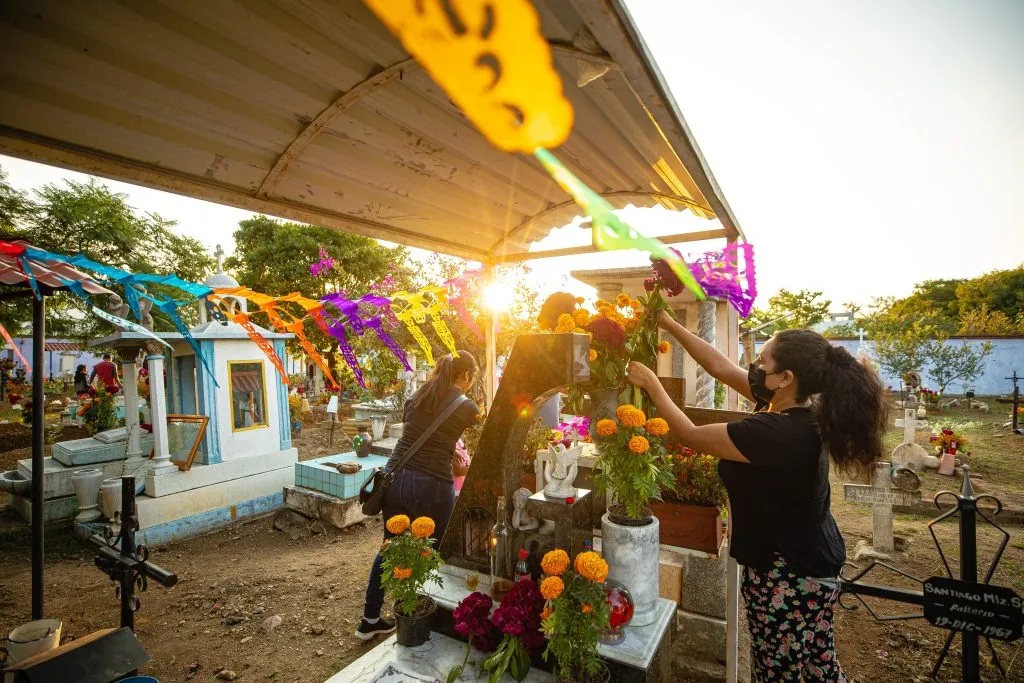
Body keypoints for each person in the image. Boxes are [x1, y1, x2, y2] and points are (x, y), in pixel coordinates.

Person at [626, 312, 886, 681]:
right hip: (810, 560)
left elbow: (687, 433)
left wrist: (652, 384)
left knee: (780, 671)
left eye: (763, 360)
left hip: (790, 573)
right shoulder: (795, 407)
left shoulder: (776, 431)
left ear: (785, 378)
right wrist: (668, 323)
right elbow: (719, 367)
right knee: (816, 666)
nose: (754, 366)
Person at [356, 350, 481, 641]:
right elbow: (479, 440)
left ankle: (369, 619)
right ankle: (433, 618)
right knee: (438, 549)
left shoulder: (419, 397)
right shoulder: (466, 406)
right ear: (466, 376)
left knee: (390, 548)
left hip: (395, 478)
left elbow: (418, 435)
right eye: (472, 377)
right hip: (432, 483)